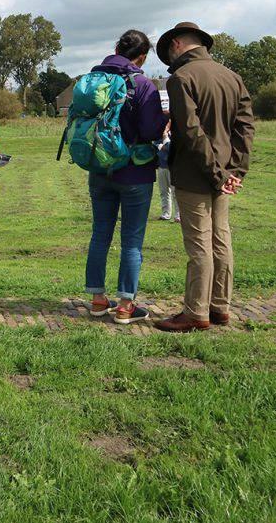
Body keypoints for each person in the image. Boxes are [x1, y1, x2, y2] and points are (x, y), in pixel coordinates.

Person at [154, 22, 255, 333]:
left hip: (196, 173)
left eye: (168, 52)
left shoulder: (181, 78)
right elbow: (245, 128)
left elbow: (191, 131)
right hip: (224, 174)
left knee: (200, 245)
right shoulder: (232, 76)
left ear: (176, 45)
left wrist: (215, 174)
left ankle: (195, 312)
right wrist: (235, 171)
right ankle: (220, 307)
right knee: (221, 240)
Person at [83, 30, 168, 325]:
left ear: (116, 48)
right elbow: (149, 131)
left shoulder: (93, 81)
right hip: (135, 173)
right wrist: (164, 121)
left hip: (99, 170)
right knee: (131, 241)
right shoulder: (144, 85)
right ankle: (124, 307)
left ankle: (96, 301)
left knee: (100, 235)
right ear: (142, 57)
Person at [156, 125, 180, 222]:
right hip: (162, 166)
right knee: (164, 192)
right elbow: (154, 144)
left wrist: (165, 141)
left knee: (176, 193)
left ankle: (178, 215)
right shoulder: (159, 135)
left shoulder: (176, 134)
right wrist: (160, 146)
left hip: (173, 168)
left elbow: (172, 149)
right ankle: (166, 214)